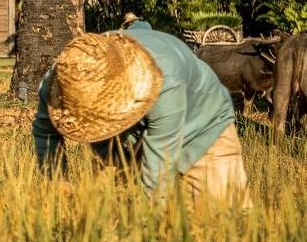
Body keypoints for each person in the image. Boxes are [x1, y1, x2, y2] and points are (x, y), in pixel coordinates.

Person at [32, 19, 251, 206]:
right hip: (121, 143)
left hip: (202, 128)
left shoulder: (164, 81)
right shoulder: (64, 78)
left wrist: (147, 229)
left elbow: (159, 176)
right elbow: (46, 133)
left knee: (225, 220)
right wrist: (57, 185)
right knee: (108, 215)